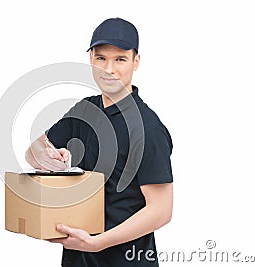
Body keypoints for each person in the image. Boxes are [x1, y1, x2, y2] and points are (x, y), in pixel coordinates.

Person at [25, 17, 173, 267]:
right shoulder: (84, 111)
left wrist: (97, 243)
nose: (109, 69)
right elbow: (33, 151)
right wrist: (47, 156)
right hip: (77, 259)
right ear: (91, 59)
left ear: (136, 61)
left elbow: (161, 211)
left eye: (120, 59)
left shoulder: (148, 128)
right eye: (101, 58)